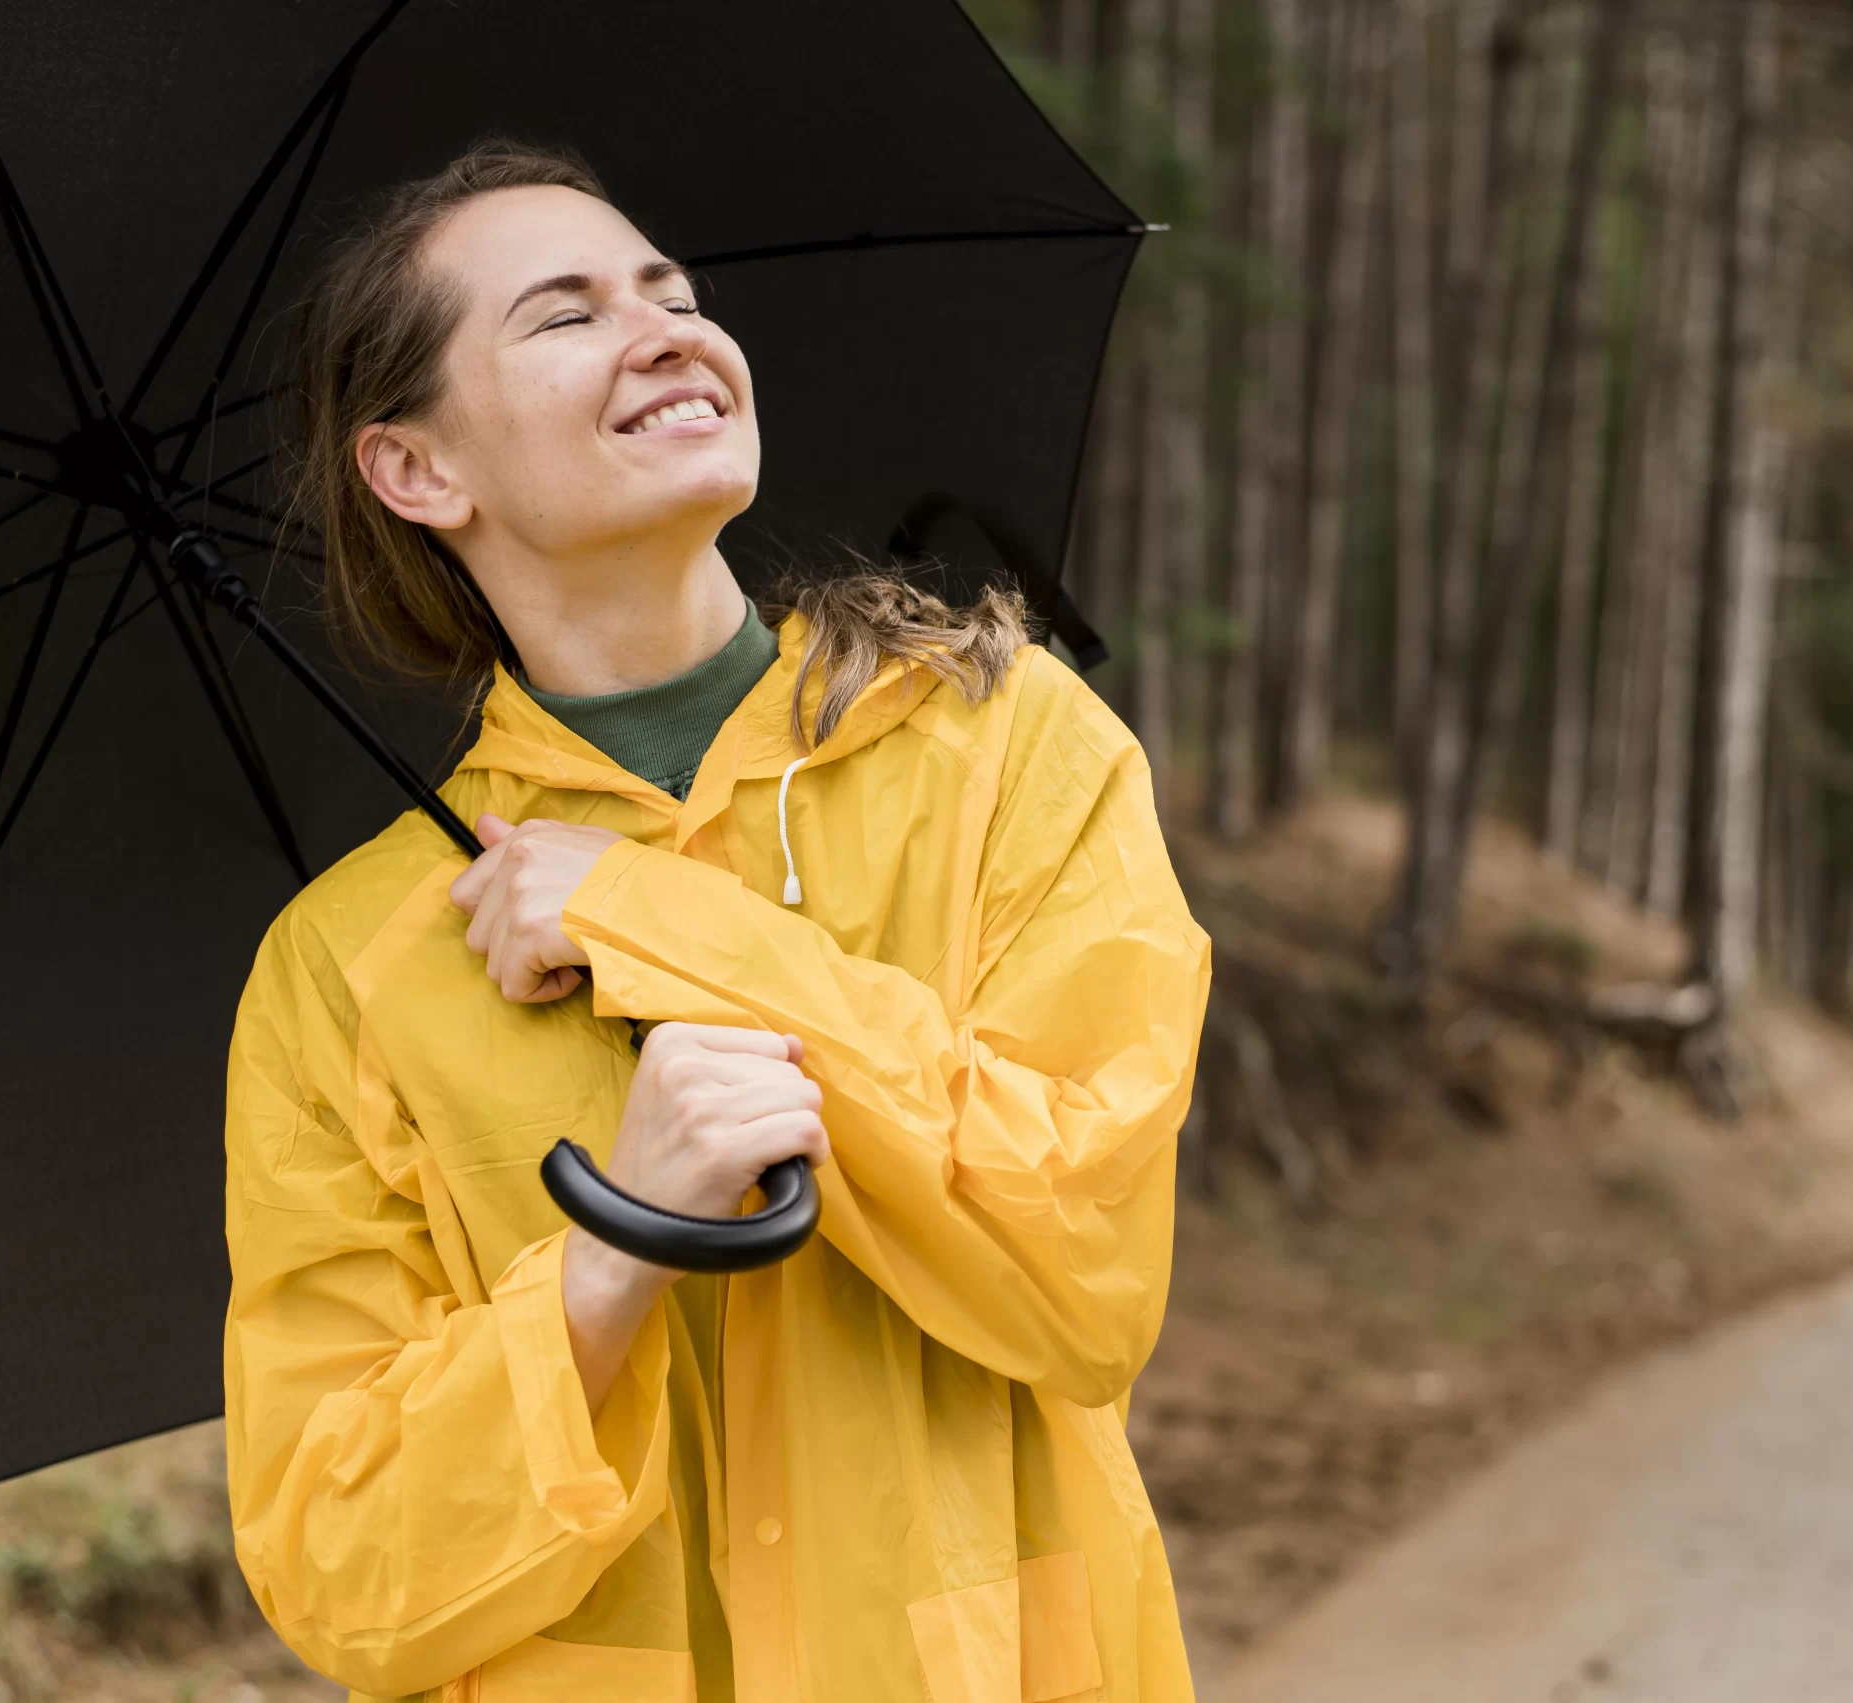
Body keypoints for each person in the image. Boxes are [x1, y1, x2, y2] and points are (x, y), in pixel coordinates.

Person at [220, 142, 1209, 1703]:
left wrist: (656, 920)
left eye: (674, 295)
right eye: (567, 315)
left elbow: (1081, 1271)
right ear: (416, 470)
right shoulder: (349, 967)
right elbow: (342, 1570)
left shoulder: (1007, 749)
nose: (667, 333)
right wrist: (612, 1253)